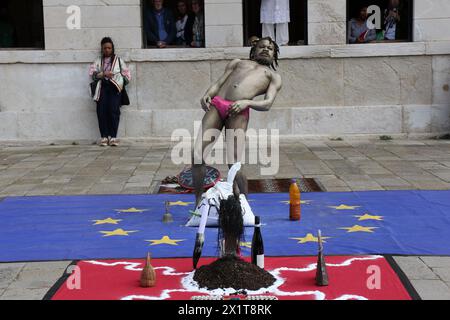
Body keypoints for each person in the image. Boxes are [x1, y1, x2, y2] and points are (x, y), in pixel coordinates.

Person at [192, 37, 283, 206]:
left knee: (234, 162)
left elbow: (267, 103)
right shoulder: (237, 63)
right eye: (262, 46)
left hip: (239, 111)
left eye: (270, 48)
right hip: (217, 105)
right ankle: (198, 201)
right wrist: (208, 93)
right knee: (197, 154)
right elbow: (219, 83)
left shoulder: (273, 77)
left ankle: (244, 204)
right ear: (254, 50)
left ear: (275, 54)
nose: (265, 49)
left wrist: (247, 102)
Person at [89, 37, 131, 147]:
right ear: (102, 49)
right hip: (102, 88)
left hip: (114, 89)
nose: (107, 50)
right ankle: (104, 137)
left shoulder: (119, 61)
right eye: (105, 48)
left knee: (114, 112)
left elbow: (127, 75)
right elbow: (92, 74)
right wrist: (103, 74)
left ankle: (113, 137)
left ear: (112, 48)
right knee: (101, 112)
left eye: (109, 48)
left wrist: (119, 81)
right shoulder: (98, 61)